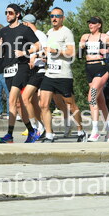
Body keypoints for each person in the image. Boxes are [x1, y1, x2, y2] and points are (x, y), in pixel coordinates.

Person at [38, 8, 86, 143]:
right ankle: (49, 134)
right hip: (49, 74)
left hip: (63, 75)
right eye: (52, 16)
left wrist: (56, 51)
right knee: (43, 104)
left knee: (71, 105)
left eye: (57, 16)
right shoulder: (49, 32)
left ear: (62, 18)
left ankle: (81, 130)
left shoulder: (67, 32)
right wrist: (45, 56)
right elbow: (48, 51)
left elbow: (71, 52)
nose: (54, 18)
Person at [0, 4, 40, 143]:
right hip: (8, 68)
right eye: (6, 12)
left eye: (10, 13)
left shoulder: (25, 29)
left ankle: (9, 135)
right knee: (17, 104)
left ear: (17, 14)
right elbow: (0, 54)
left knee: (11, 100)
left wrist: (25, 52)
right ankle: (32, 131)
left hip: (21, 66)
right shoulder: (3, 31)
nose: (7, 15)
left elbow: (38, 45)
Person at [79, 16, 109, 141]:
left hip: (101, 68)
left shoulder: (104, 37)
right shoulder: (85, 37)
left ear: (99, 25)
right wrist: (80, 47)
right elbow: (79, 55)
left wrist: (108, 51)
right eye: (89, 23)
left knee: (91, 97)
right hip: (89, 68)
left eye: (93, 23)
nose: (91, 25)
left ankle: (95, 131)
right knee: (100, 101)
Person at [21, 14, 47, 139]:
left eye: (23, 24)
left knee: (25, 97)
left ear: (27, 23)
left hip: (39, 70)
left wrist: (35, 56)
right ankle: (42, 126)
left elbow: (46, 51)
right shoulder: (27, 36)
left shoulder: (40, 35)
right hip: (30, 71)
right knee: (33, 102)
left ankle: (34, 127)